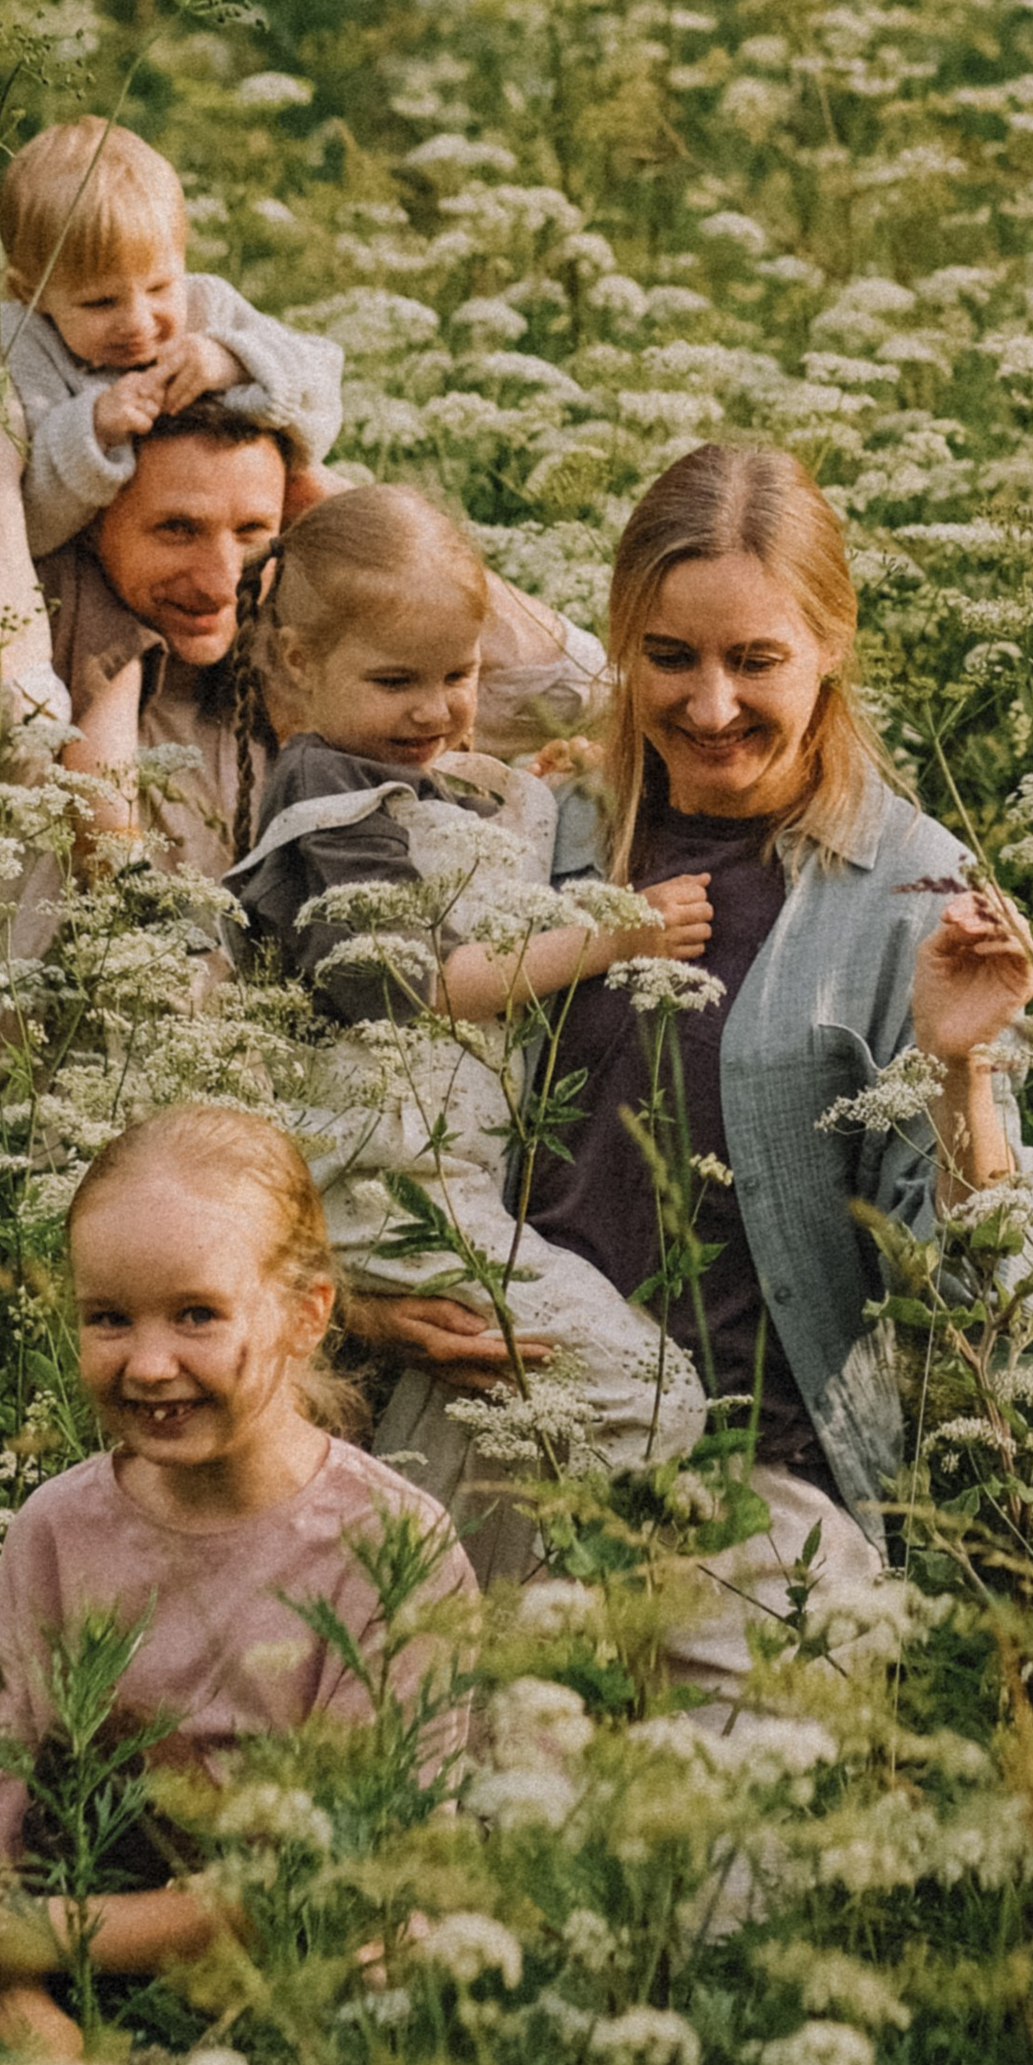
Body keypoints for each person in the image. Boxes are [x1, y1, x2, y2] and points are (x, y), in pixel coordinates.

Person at [365, 441, 1033, 1683]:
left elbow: (980, 1300)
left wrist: (963, 1072)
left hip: (749, 1489)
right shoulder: (529, 831)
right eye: (669, 657)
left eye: (757, 660)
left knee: (720, 1861)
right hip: (483, 1445)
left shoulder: (911, 891)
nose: (711, 705)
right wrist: (363, 1299)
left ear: (833, 643)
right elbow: (366, 1097)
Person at [0, 1103, 475, 2061]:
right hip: (92, 1999)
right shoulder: (55, 1533)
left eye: (197, 1314)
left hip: (312, 2000)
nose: (149, 1362)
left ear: (305, 1314)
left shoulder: (393, 1546)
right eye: (107, 1317)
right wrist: (22, 2002)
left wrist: (36, 1937)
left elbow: (352, 1881)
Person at [225, 482, 714, 1467]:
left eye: (461, 673)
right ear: (296, 660)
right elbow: (424, 984)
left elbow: (451, 861)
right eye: (396, 680)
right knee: (652, 1400)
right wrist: (618, 934)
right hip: (375, 1186)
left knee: (474, 1401)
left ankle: (439, 1556)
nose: (436, 709)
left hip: (445, 1178)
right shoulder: (323, 786)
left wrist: (525, 795)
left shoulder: (395, 775)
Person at [0, 364, 606, 921]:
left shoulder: (315, 661)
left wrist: (334, 511)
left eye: (251, 528)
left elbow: (578, 692)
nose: (220, 580)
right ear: (95, 521)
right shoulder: (54, 668)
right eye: (177, 529)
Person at [0, 116, 345, 579]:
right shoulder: (17, 353)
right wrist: (92, 431)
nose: (138, 322)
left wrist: (234, 361)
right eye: (100, 302)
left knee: (339, 509)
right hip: (38, 573)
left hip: (203, 550)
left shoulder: (206, 306)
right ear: (29, 293)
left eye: (158, 287)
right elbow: (13, 525)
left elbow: (320, 393)